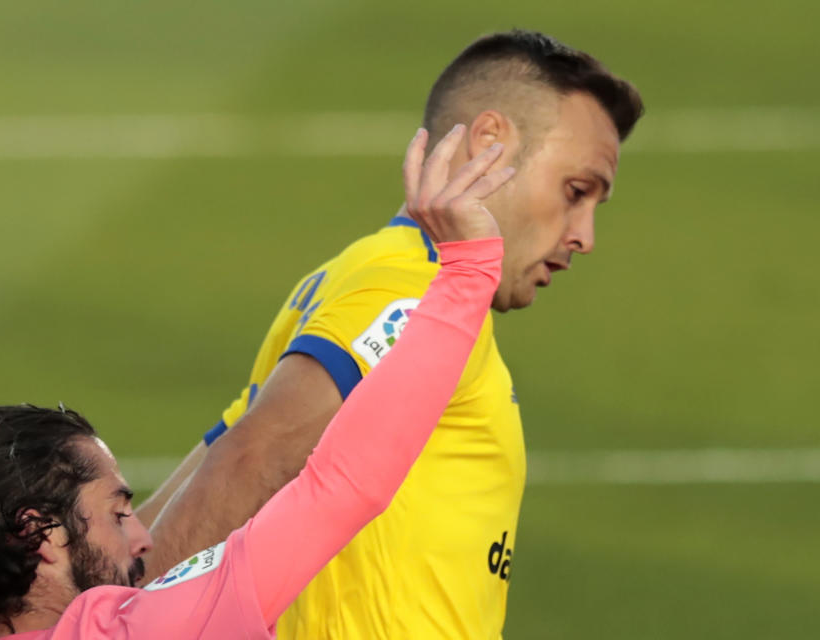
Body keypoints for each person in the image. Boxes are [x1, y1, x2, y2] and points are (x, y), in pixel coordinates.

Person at [140, 29, 644, 639]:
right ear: (489, 144)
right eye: (575, 192)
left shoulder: (360, 272)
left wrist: (102, 602)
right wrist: (113, 629)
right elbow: (256, 455)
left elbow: (214, 458)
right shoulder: (412, 285)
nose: (584, 235)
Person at [0, 127, 511, 640]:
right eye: (116, 514)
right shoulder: (152, 627)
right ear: (37, 535)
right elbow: (345, 482)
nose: (144, 539)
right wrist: (468, 268)